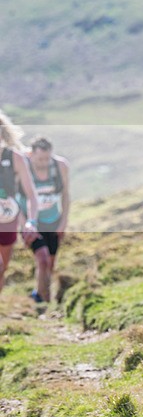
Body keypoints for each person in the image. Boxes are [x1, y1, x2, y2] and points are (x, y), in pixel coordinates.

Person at [17, 137, 70, 303]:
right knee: (43, 257)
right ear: (31, 154)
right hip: (31, 222)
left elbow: (66, 196)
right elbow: (13, 198)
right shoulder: (21, 167)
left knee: (50, 263)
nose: (44, 162)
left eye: (47, 158)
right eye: (40, 159)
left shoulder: (60, 166)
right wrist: (25, 224)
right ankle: (41, 300)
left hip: (53, 220)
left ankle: (40, 292)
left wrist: (62, 223)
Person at [0, 110, 40, 296]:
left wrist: (30, 222)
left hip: (8, 220)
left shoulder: (15, 157)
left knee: (2, 269)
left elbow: (31, 195)